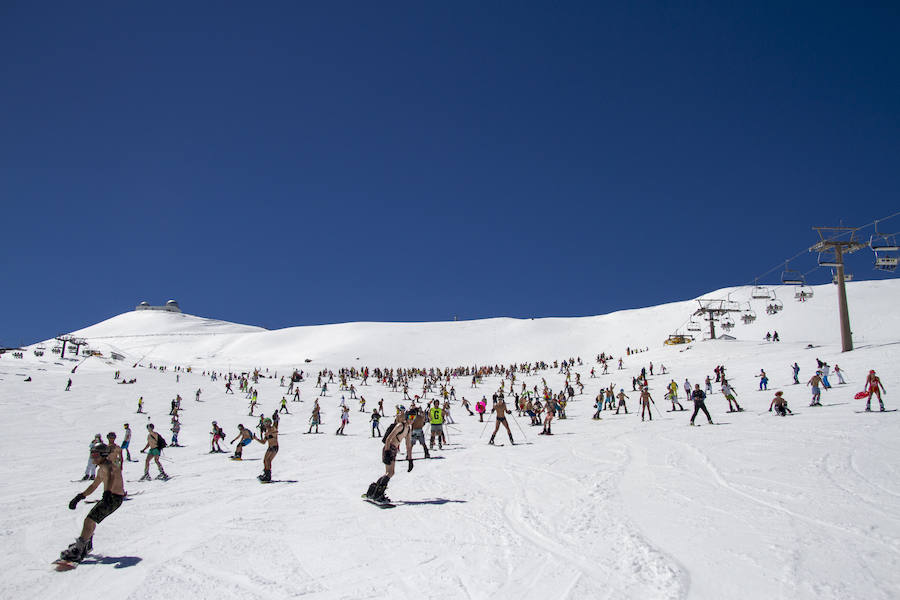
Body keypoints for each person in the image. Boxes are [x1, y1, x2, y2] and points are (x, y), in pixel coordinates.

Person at [59, 443, 126, 563]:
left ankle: (79, 550)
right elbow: (94, 485)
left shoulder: (108, 466)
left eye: (95, 455)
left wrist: (107, 493)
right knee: (91, 520)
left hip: (113, 498)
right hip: (111, 497)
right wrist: (80, 496)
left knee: (89, 520)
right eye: (92, 454)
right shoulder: (101, 469)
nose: (93, 457)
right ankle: (86, 544)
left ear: (103, 455)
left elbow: (111, 476)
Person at [364, 413, 413, 503]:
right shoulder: (400, 426)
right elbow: (388, 439)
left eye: (414, 418)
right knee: (390, 472)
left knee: (389, 472)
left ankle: (373, 490)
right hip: (389, 448)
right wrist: (387, 452)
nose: (412, 420)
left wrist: (410, 460)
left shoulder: (408, 429)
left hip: (393, 450)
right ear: (407, 417)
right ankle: (378, 494)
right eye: (411, 417)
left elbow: (408, 445)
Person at [254, 418, 278, 482]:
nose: (266, 424)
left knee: (266, 460)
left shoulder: (272, 428)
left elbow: (275, 431)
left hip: (273, 447)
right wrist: (256, 438)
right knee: (267, 460)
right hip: (272, 447)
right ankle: (267, 474)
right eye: (265, 423)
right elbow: (263, 442)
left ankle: (267, 475)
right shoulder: (267, 432)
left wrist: (276, 421)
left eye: (267, 423)